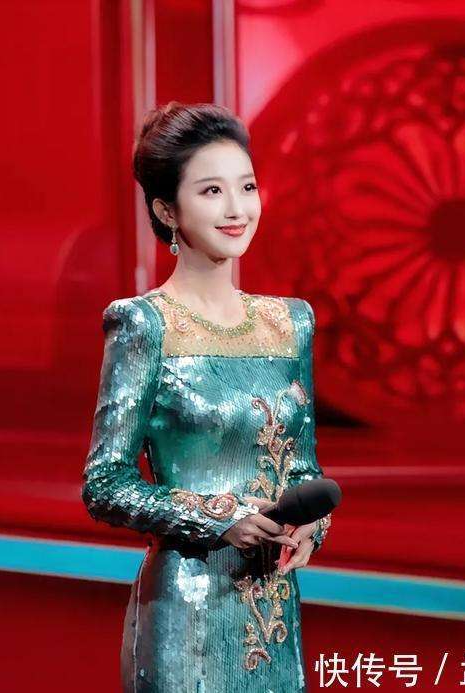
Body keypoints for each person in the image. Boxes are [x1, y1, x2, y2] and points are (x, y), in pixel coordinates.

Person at [82, 102, 333, 692]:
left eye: (247, 187)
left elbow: (303, 468)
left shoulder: (290, 323)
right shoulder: (144, 324)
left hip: (273, 604)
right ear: (166, 210)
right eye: (212, 191)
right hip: (188, 607)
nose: (236, 208)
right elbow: (105, 485)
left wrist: (310, 527)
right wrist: (221, 518)